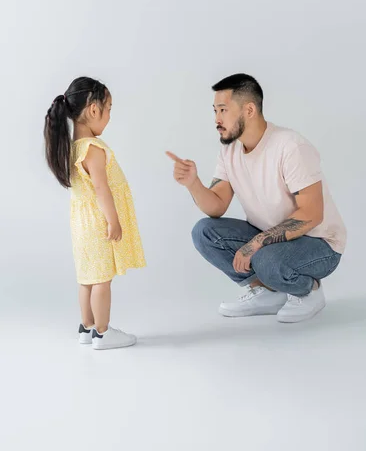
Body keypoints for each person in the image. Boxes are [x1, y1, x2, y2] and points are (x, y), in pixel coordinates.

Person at [167, 73, 346, 323]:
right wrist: (192, 183)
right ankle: (269, 291)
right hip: (271, 239)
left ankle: (308, 291)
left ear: (249, 110)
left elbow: (311, 214)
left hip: (319, 244)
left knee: (264, 257)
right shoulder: (229, 150)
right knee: (204, 232)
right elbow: (216, 206)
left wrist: (256, 243)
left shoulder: (290, 146)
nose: (217, 119)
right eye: (215, 111)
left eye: (223, 110)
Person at [44, 77, 146, 349]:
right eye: (109, 108)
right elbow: (102, 189)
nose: (110, 115)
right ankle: (102, 332)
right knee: (102, 279)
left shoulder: (72, 148)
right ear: (92, 110)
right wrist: (114, 220)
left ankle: (86, 327)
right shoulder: (93, 149)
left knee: (87, 278)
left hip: (80, 224)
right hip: (98, 223)